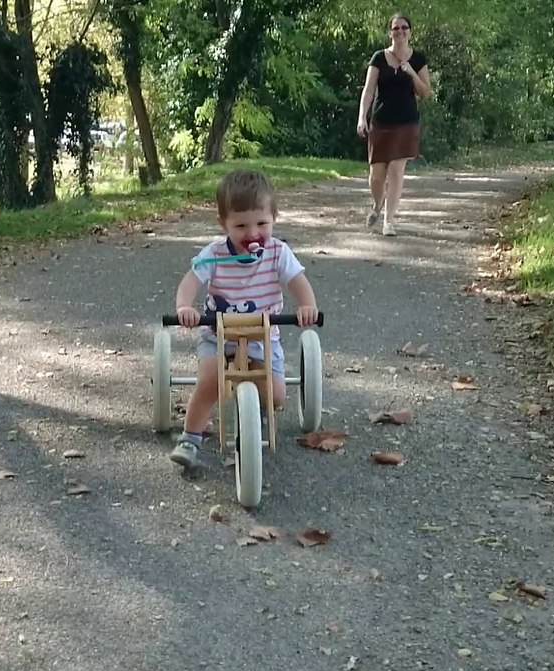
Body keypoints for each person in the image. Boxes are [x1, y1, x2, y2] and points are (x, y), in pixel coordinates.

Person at [168, 169, 319, 469]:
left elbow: (299, 283)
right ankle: (190, 437)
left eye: (262, 223)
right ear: (223, 224)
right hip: (219, 334)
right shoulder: (214, 253)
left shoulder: (278, 252)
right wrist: (185, 305)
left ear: (275, 216)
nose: (252, 234)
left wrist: (307, 305)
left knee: (275, 396)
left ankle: (253, 414)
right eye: (240, 226)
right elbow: (189, 282)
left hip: (262, 336)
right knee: (210, 382)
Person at [356, 12, 433, 237]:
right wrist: (362, 117)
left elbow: (425, 92)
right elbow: (369, 90)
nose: (399, 31)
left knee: (396, 171)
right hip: (381, 121)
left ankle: (389, 221)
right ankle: (378, 204)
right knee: (377, 176)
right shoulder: (379, 58)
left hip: (407, 122)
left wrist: (411, 72)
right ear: (390, 32)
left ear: (410, 31)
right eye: (395, 28)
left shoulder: (418, 59)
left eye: (404, 28)